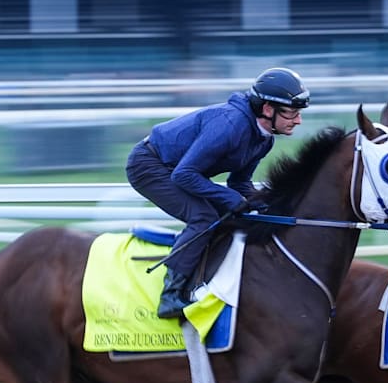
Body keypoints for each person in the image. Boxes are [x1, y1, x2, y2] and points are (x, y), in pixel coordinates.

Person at [126, 67, 310, 319]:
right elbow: (184, 174)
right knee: (204, 216)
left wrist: (267, 205)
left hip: (180, 169)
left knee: (240, 215)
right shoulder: (230, 125)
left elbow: (239, 183)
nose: (298, 120)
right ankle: (171, 293)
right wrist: (232, 200)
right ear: (268, 109)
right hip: (149, 165)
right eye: (292, 113)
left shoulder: (264, 139)